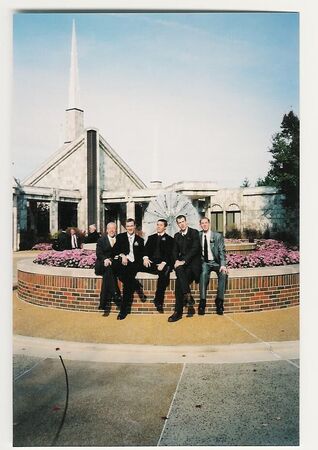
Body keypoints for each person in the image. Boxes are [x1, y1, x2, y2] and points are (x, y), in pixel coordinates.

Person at [168, 215, 201, 322]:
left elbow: (195, 249)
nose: (182, 224)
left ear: (186, 222)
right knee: (179, 271)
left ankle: (178, 312)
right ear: (177, 224)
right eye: (179, 222)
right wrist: (176, 261)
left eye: (183, 221)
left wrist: (183, 261)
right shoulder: (176, 236)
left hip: (192, 265)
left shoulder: (194, 232)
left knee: (178, 283)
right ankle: (187, 296)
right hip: (182, 267)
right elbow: (173, 251)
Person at [113, 218, 144, 320]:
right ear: (126, 227)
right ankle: (135, 283)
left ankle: (123, 311)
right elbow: (115, 250)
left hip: (134, 265)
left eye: (131, 226)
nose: (130, 228)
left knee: (127, 283)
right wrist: (122, 255)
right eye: (128, 226)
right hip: (124, 263)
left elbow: (142, 255)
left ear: (135, 226)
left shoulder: (140, 240)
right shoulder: (120, 237)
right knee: (128, 280)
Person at [142, 219, 174, 313]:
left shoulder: (169, 239)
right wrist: (145, 258)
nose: (158, 226)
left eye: (160, 225)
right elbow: (145, 249)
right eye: (157, 225)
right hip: (151, 263)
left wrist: (164, 263)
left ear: (165, 227)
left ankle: (158, 301)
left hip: (162, 264)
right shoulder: (151, 237)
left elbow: (169, 254)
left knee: (164, 273)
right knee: (135, 265)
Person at [199, 217, 228, 315]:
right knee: (203, 274)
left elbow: (222, 251)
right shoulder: (199, 235)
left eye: (206, 223)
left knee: (223, 274)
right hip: (205, 262)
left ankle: (219, 302)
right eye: (202, 223)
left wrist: (223, 265)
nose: (204, 225)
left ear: (209, 223)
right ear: (200, 225)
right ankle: (202, 302)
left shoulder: (217, 236)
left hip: (216, 262)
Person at [95, 222, 121, 313]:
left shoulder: (119, 240)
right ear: (106, 230)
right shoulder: (101, 240)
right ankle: (115, 293)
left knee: (108, 273)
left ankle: (103, 303)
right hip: (102, 264)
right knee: (108, 268)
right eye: (109, 228)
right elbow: (99, 253)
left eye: (113, 228)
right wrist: (105, 259)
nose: (111, 230)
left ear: (116, 229)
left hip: (112, 265)